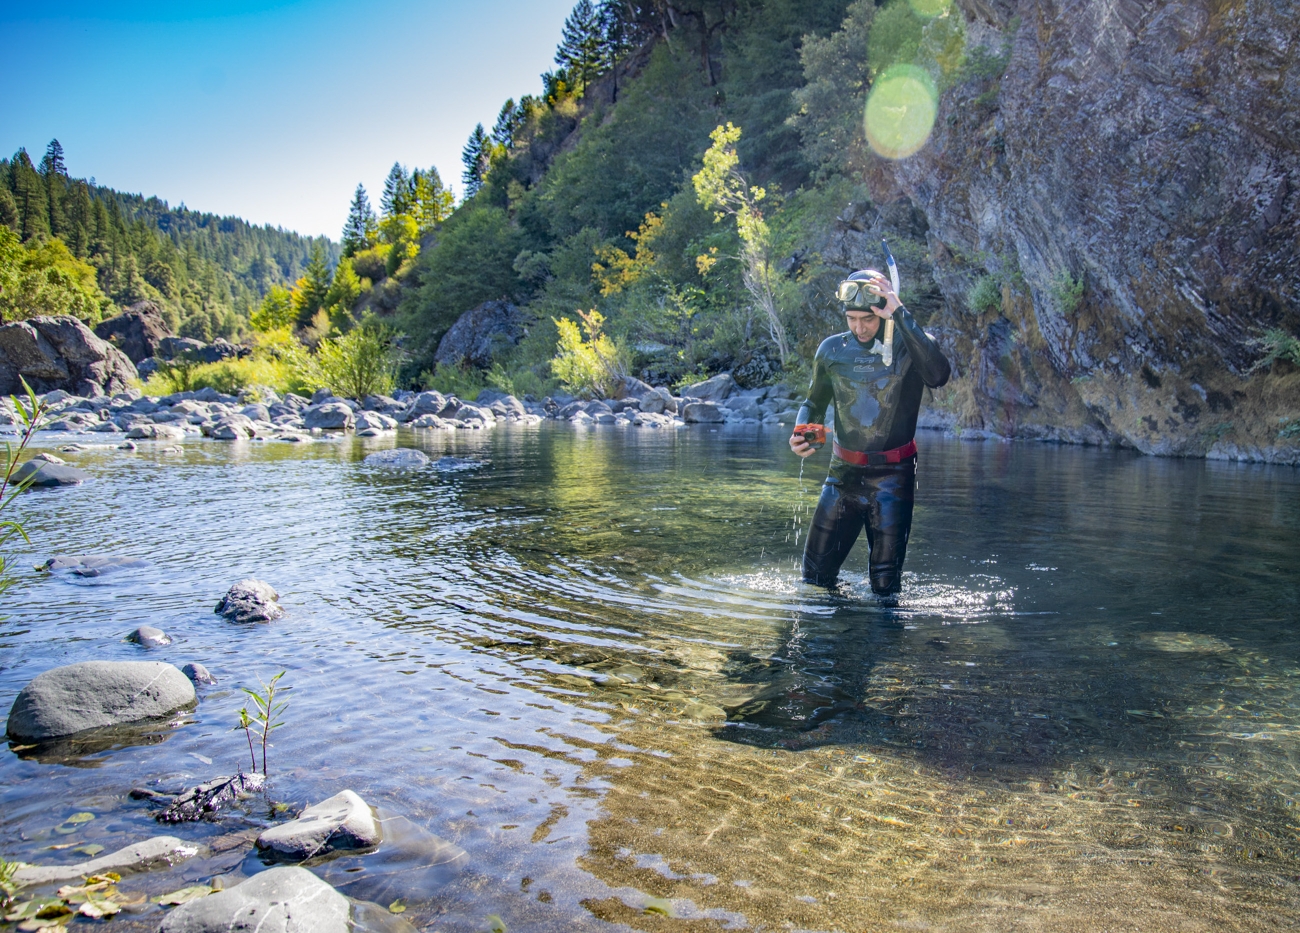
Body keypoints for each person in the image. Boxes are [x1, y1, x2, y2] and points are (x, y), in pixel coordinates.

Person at [790, 268, 951, 595]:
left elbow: (938, 376)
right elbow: (814, 402)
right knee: (814, 581)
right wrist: (805, 434)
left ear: (884, 313)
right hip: (841, 476)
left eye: (868, 319)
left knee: (885, 589)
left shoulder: (910, 347)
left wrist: (900, 314)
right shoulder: (832, 350)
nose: (859, 328)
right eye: (852, 319)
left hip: (893, 478)